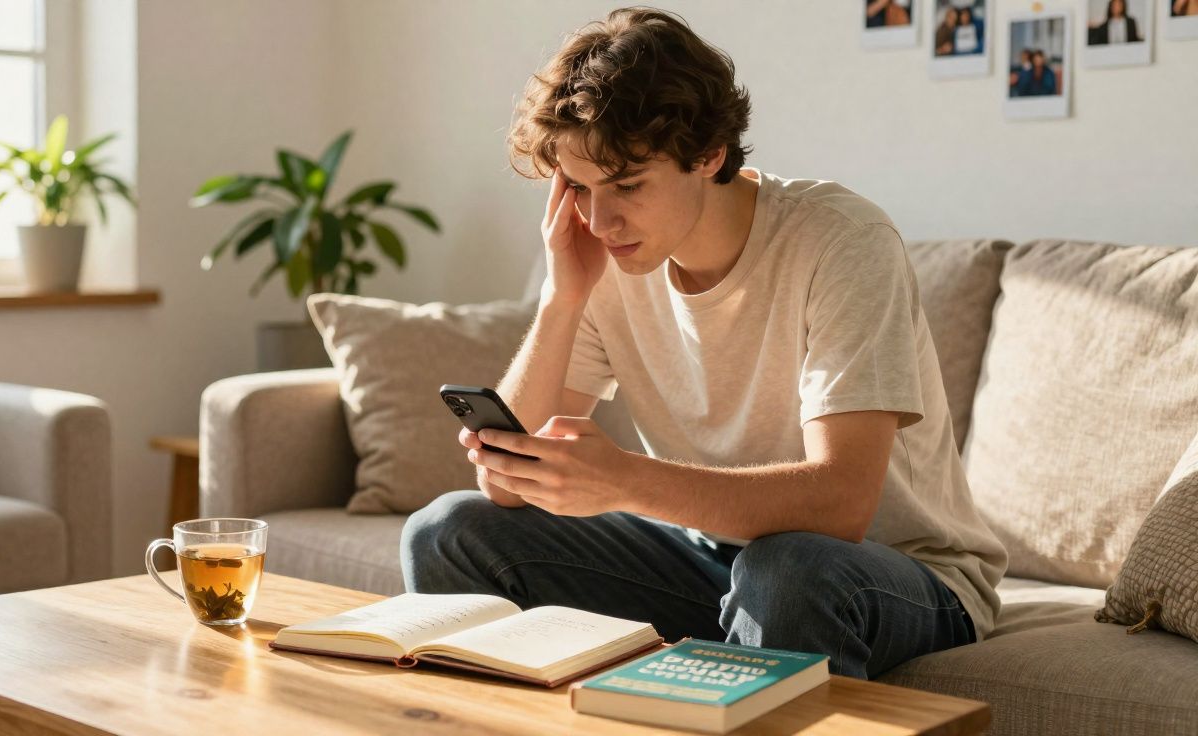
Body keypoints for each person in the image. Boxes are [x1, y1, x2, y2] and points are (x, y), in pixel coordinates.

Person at [400, 7, 1006, 680]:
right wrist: (561, 298)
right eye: (581, 189)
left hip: (892, 573)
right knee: (450, 531)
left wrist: (625, 480)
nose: (601, 220)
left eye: (627, 185)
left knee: (787, 570)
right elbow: (507, 490)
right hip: (714, 558)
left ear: (709, 153)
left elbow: (842, 505)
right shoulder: (608, 254)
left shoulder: (840, 241)